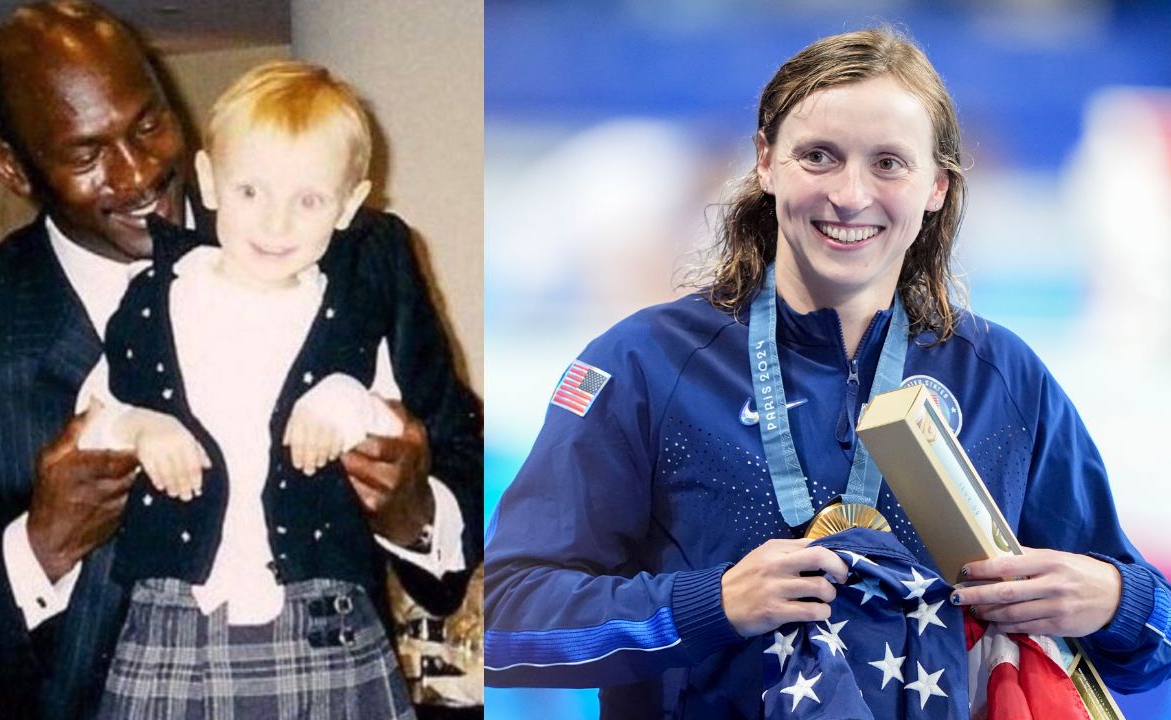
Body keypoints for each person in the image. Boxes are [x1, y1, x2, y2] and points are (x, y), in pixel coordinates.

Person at [483, 26, 1171, 718]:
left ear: (936, 185)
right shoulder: (645, 366)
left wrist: (1113, 600)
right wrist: (709, 605)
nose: (850, 195)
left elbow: (1155, 640)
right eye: (819, 156)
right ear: (765, 163)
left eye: (888, 164)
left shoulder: (1001, 378)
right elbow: (499, 623)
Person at [0, 3, 481, 718]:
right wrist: (38, 547)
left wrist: (416, 510)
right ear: (14, 169)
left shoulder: (359, 258)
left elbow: (465, 459)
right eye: (87, 155)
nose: (138, 173)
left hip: (320, 680)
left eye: (149, 125)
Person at [80, 60, 447, 719]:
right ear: (209, 180)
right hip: (173, 622)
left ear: (349, 206)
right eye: (251, 191)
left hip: (323, 623)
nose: (276, 223)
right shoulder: (154, 302)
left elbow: (397, 427)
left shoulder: (352, 314)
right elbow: (93, 414)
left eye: (308, 200)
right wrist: (139, 427)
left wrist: (344, 399)